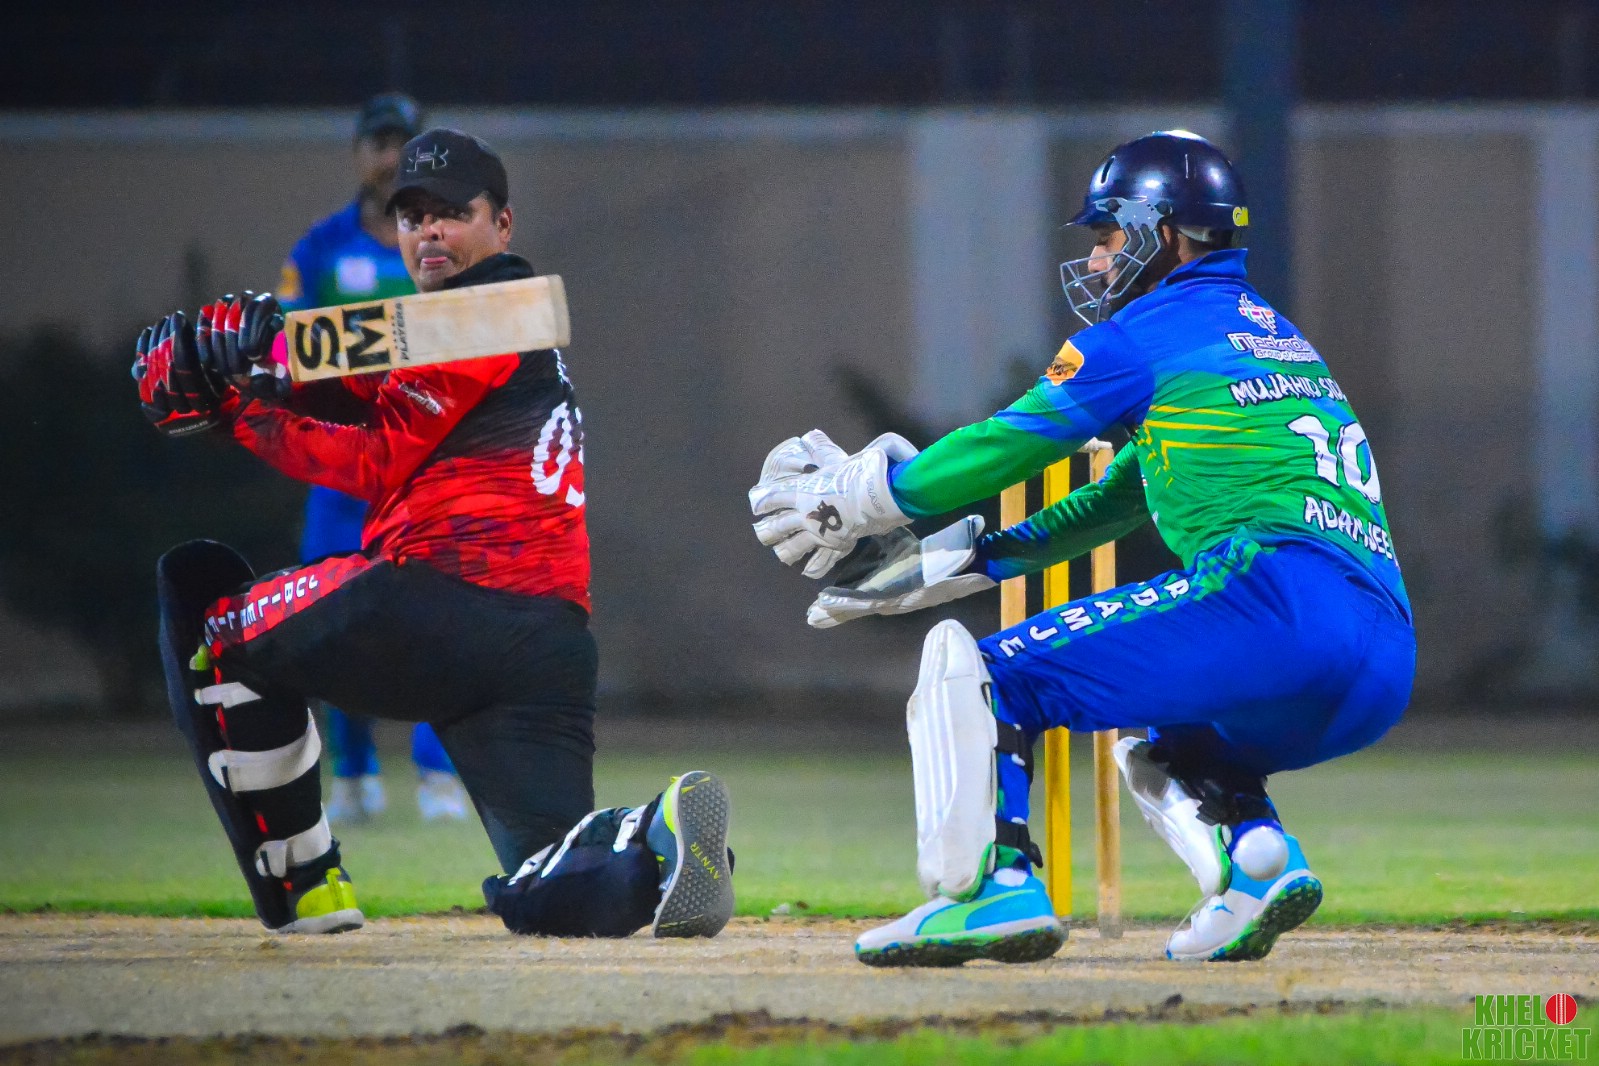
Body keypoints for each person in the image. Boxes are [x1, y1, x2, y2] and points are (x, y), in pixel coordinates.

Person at [749, 130, 1414, 966]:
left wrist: (861, 498)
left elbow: (1010, 442)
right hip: (1382, 657)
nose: (1096, 261)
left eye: (1106, 236)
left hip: (1273, 600)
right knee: (1163, 737)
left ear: (1163, 232)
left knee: (985, 677)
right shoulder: (1273, 336)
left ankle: (988, 890)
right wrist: (985, 558)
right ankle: (1254, 865)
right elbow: (1121, 497)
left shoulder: (1140, 335)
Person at [132, 127, 734, 939]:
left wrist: (235, 408)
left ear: (503, 224)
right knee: (545, 887)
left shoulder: (482, 313)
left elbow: (372, 455)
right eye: (412, 217)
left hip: (440, 602)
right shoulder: (472, 325)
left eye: (451, 213)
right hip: (546, 643)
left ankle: (306, 885)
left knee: (207, 619)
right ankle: (653, 840)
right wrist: (261, 365)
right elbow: (362, 389)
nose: (429, 232)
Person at [277, 92, 468, 825]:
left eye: (404, 143)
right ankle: (353, 774)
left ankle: (439, 774)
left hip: (428, 466)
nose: (391, 158)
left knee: (437, 620)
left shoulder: (445, 245)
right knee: (334, 620)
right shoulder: (322, 247)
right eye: (379, 143)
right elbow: (289, 345)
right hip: (344, 468)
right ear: (359, 153)